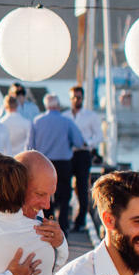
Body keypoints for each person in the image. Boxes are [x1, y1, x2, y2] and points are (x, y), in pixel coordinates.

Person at [28, 94, 87, 234]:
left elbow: (30, 146)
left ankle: (48, 223)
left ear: (45, 105)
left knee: (44, 197)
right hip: (63, 164)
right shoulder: (67, 122)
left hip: (42, 165)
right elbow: (79, 142)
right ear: (58, 105)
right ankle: (63, 227)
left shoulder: (36, 121)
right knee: (64, 197)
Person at [65, 86, 104, 233]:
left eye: (79, 97)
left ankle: (80, 221)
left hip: (83, 154)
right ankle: (65, 218)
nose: (76, 100)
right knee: (64, 188)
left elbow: (99, 135)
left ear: (83, 98)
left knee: (82, 188)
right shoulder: (65, 115)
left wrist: (87, 143)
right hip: (67, 154)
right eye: (73, 97)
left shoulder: (91, 116)